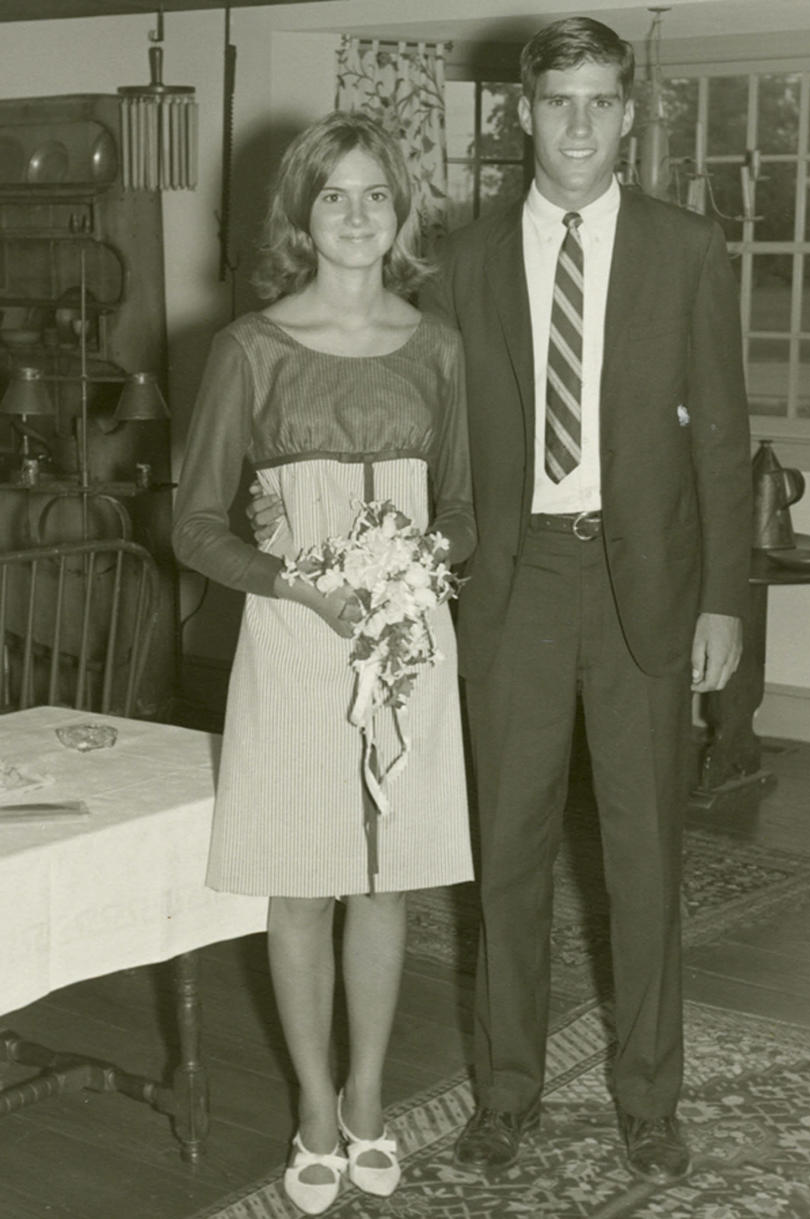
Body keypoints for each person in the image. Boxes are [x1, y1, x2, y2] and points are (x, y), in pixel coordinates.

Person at [250, 15, 752, 1184]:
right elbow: (408, 425)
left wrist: (726, 601)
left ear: (629, 116)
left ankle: (648, 1101)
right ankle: (508, 1094)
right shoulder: (464, 262)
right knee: (508, 857)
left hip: (647, 593)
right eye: (557, 101)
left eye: (599, 102)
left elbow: (723, 441)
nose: (578, 123)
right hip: (510, 591)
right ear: (521, 116)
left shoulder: (687, 248)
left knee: (644, 861)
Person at [172, 112, 475, 1216]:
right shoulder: (249, 347)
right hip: (294, 634)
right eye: (334, 196)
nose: (356, 215)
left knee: (385, 878)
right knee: (303, 881)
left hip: (408, 637)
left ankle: (367, 1099)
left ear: (404, 217)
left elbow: (468, 516)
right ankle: (311, 1105)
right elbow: (196, 525)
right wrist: (294, 580)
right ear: (303, 216)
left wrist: (412, 575)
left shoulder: (439, 345)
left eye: (376, 196)